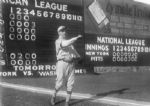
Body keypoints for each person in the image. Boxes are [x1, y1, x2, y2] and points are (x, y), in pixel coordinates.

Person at [51, 26, 82, 106]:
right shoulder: (58, 41)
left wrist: (78, 57)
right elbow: (66, 43)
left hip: (71, 64)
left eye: (65, 30)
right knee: (59, 84)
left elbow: (74, 51)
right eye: (62, 31)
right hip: (62, 63)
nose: (64, 32)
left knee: (70, 84)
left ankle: (67, 102)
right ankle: (54, 95)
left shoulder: (69, 43)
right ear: (59, 32)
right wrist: (76, 38)